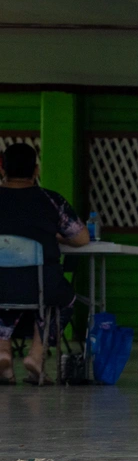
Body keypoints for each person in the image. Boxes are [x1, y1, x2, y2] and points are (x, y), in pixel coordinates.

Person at [0, 143, 89, 385]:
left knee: (4, 293)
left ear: (2, 168)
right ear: (36, 170)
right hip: (40, 285)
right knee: (64, 299)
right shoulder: (50, 200)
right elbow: (81, 238)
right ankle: (36, 356)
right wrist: (54, 234)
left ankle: (3, 352)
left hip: (1, 285)